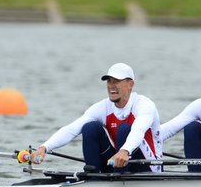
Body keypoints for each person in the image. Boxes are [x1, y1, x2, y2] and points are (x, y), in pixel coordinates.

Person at [29, 63, 162, 173]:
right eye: (109, 81)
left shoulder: (144, 104)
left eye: (116, 81)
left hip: (149, 167)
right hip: (119, 162)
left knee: (124, 129)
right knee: (89, 127)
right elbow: (72, 129)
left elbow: (138, 130)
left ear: (130, 84)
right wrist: (44, 147)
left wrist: (125, 150)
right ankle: (93, 177)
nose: (111, 85)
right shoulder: (103, 107)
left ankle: (118, 178)